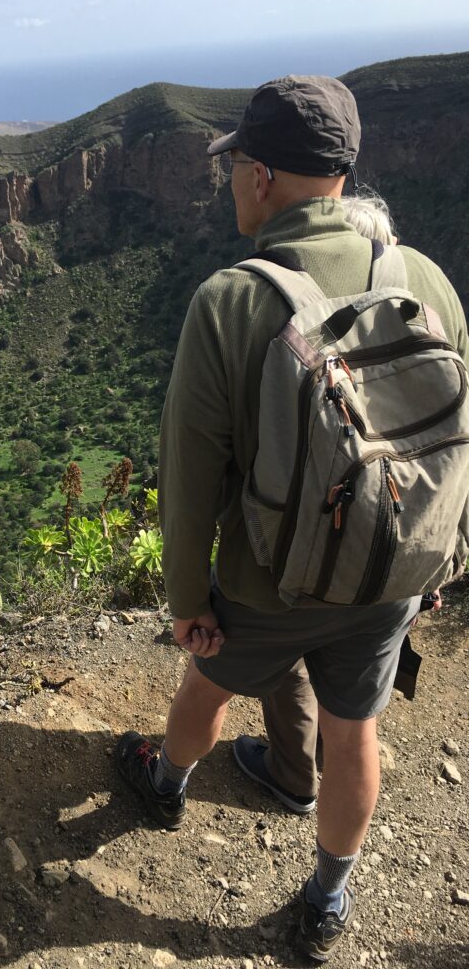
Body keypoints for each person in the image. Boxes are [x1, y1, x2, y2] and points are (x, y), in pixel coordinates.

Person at [114, 76, 469, 962]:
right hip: (391, 575)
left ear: (263, 175)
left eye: (234, 162)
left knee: (206, 685)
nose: (230, 177)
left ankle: (164, 784)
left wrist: (187, 599)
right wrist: (440, 559)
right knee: (357, 732)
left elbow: (189, 475)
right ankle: (328, 901)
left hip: (267, 581)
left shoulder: (230, 300)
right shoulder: (424, 277)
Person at [232, 190, 440, 819]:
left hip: (306, 557)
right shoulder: (426, 310)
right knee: (356, 703)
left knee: (292, 655)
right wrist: (442, 559)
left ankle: (292, 772)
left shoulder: (293, 321)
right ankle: (329, 793)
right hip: (402, 550)